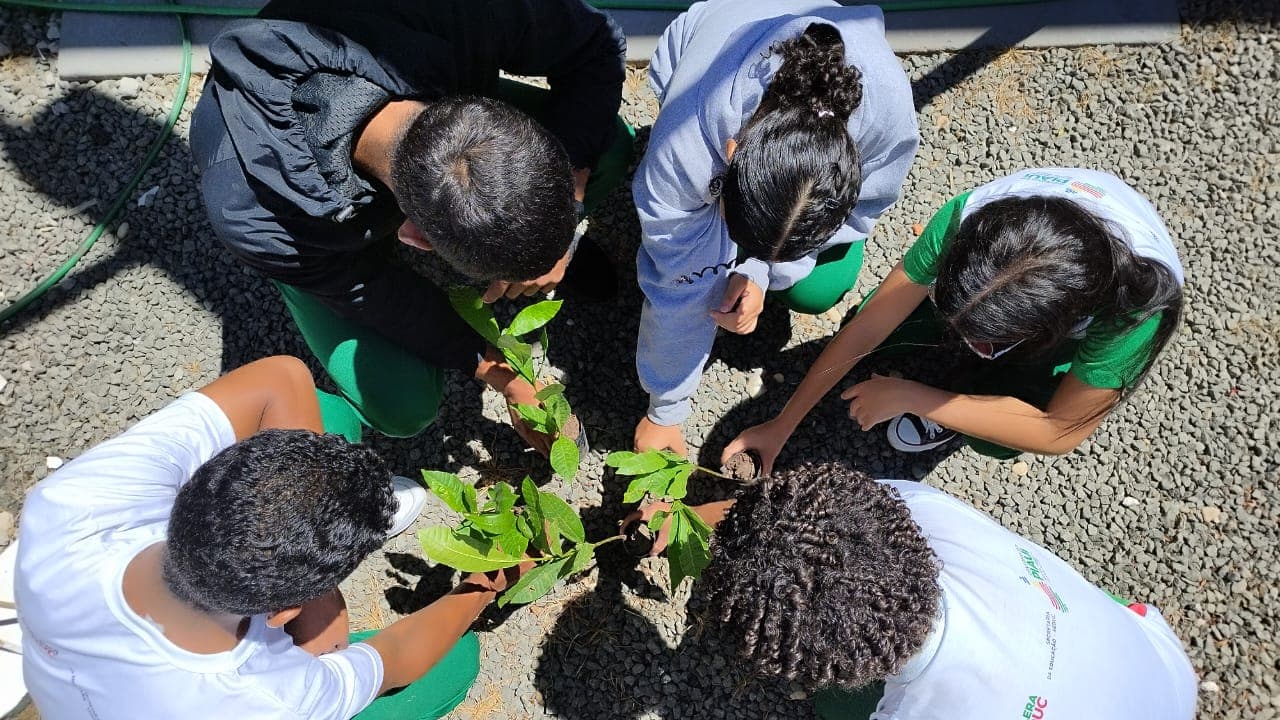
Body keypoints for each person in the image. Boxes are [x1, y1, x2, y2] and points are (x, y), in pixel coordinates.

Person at [190, 0, 632, 450]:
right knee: (402, 404)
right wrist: (501, 374)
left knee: (607, 144)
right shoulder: (257, 215)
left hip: (416, 96)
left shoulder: (464, 16)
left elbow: (596, 42)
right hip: (310, 234)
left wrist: (570, 196)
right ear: (414, 237)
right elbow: (378, 295)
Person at [15, 356, 526, 719]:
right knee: (451, 664)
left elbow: (282, 375)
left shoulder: (71, 506)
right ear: (282, 612)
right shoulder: (268, 700)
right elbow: (394, 659)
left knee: (329, 415)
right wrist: (491, 583)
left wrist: (315, 585)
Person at [633, 463, 1197, 719]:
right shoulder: (923, 509)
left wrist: (689, 519)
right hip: (1158, 665)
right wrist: (685, 518)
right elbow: (779, 522)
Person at [725, 168, 1185, 468]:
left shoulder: (1136, 310)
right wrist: (782, 423)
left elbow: (1060, 428)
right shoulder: (968, 218)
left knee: (999, 437)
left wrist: (918, 397)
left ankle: (972, 398)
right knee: (880, 326)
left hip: (1083, 309)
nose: (962, 340)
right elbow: (869, 326)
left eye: (986, 340)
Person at [631, 0, 919, 454]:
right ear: (729, 153)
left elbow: (864, 211)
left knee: (819, 287)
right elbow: (678, 286)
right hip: (712, 34)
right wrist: (666, 409)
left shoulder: (889, 116)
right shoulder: (685, 147)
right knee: (690, 255)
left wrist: (762, 272)